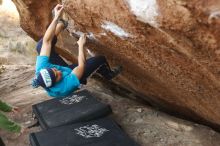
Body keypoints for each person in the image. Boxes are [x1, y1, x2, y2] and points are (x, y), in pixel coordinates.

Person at [32, 4, 122, 98]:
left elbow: (47, 41)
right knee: (100, 59)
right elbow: (81, 65)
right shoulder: (65, 86)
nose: (58, 71)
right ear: (55, 83)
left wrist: (56, 17)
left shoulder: (41, 68)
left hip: (65, 71)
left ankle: (62, 24)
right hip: (72, 74)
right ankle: (108, 74)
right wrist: (80, 45)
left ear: (46, 69)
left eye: (54, 70)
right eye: (57, 75)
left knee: (40, 46)